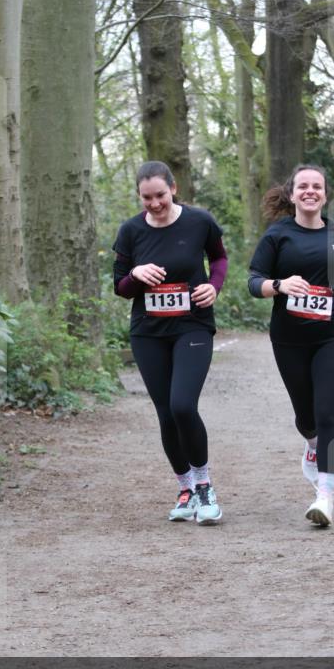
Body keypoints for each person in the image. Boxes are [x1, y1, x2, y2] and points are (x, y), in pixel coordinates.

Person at [248, 164, 334, 528]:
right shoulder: (277, 236)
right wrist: (279, 285)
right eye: (303, 186)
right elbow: (253, 281)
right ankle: (311, 444)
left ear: (325, 193)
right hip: (290, 338)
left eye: (317, 186)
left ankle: (325, 496)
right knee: (306, 418)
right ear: (292, 195)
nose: (310, 191)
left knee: (327, 413)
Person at [113, 161, 228, 525]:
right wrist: (135, 275)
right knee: (165, 413)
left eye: (160, 195)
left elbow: (219, 257)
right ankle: (185, 488)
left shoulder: (199, 222)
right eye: (146, 197)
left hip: (191, 326)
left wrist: (214, 285)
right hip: (148, 332)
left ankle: (205, 485)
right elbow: (119, 286)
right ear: (139, 197)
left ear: (173, 189)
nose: (155, 203)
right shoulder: (131, 231)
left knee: (182, 406)